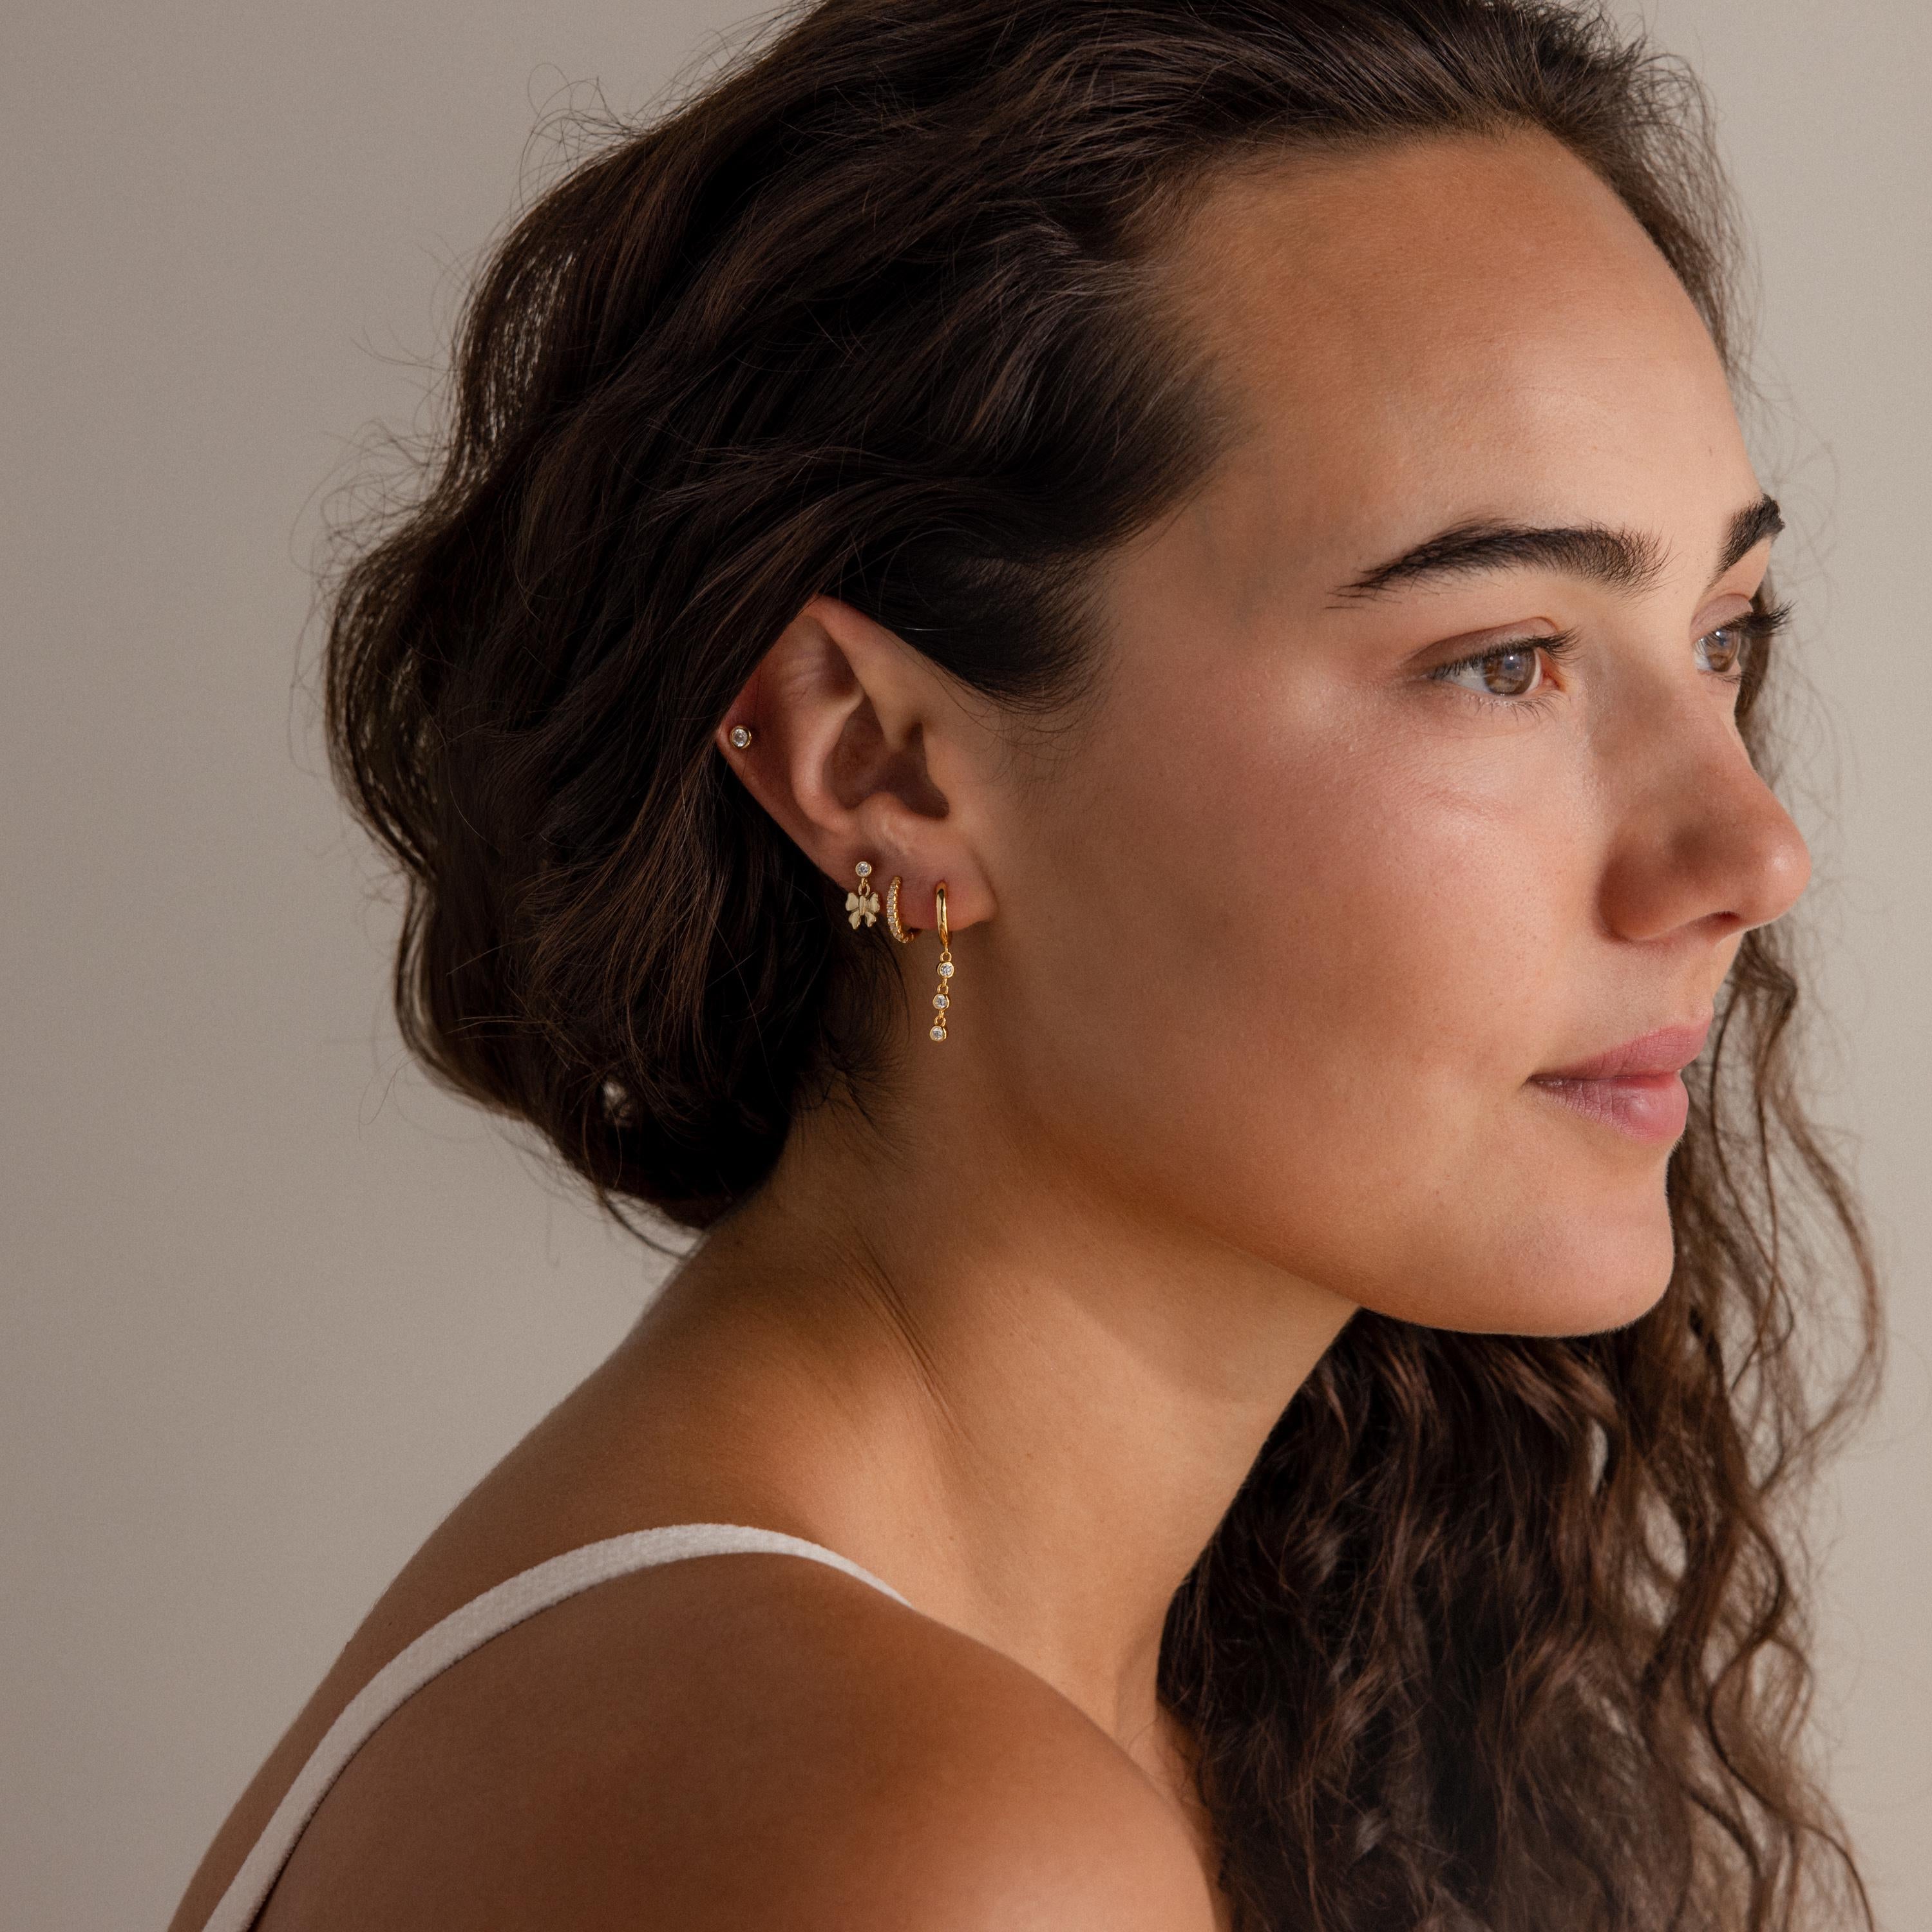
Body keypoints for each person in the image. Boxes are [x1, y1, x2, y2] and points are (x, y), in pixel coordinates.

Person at [170, 2, 1882, 1927]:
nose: (1752, 852)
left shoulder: (1072, 1679)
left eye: (1722, 631)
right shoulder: (922, 1848)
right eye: (1503, 661)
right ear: (882, 764)